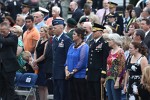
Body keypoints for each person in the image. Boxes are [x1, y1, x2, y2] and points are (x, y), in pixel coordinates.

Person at [87, 23, 110, 100]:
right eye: (92, 32)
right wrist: (87, 72)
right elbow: (89, 58)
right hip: (91, 72)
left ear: (100, 32)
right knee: (90, 94)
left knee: (98, 95)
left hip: (98, 73)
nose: (93, 33)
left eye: (95, 32)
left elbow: (105, 60)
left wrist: (103, 75)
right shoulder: (91, 43)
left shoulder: (104, 44)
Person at [65, 27, 89, 100]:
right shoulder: (71, 46)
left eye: (74, 34)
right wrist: (66, 71)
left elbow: (82, 62)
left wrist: (72, 72)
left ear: (80, 36)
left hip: (79, 76)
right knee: (71, 96)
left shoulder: (84, 47)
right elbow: (67, 59)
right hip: (69, 75)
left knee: (80, 96)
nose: (72, 35)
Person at [52, 19, 72, 100]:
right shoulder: (54, 39)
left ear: (61, 28)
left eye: (55, 28)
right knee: (56, 93)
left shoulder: (66, 39)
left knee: (62, 93)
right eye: (53, 28)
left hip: (62, 71)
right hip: (55, 70)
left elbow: (68, 56)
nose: (53, 30)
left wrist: (66, 70)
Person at [0, 22, 20, 100]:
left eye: (3, 31)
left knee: (10, 87)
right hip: (1, 66)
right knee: (2, 87)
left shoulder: (13, 37)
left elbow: (6, 42)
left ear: (8, 30)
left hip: (10, 67)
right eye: (0, 31)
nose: (1, 33)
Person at [106, 33, 125, 100]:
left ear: (114, 41)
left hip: (116, 77)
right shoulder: (111, 51)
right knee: (110, 97)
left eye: (109, 40)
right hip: (109, 76)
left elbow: (122, 67)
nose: (108, 41)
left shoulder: (120, 52)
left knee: (115, 97)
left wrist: (118, 81)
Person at [33, 26, 49, 100]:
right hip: (38, 64)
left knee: (44, 85)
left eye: (42, 31)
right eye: (40, 31)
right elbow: (35, 51)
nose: (40, 32)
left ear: (46, 32)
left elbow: (44, 55)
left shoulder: (47, 42)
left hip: (44, 65)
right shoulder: (39, 41)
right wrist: (35, 62)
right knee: (39, 85)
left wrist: (35, 61)